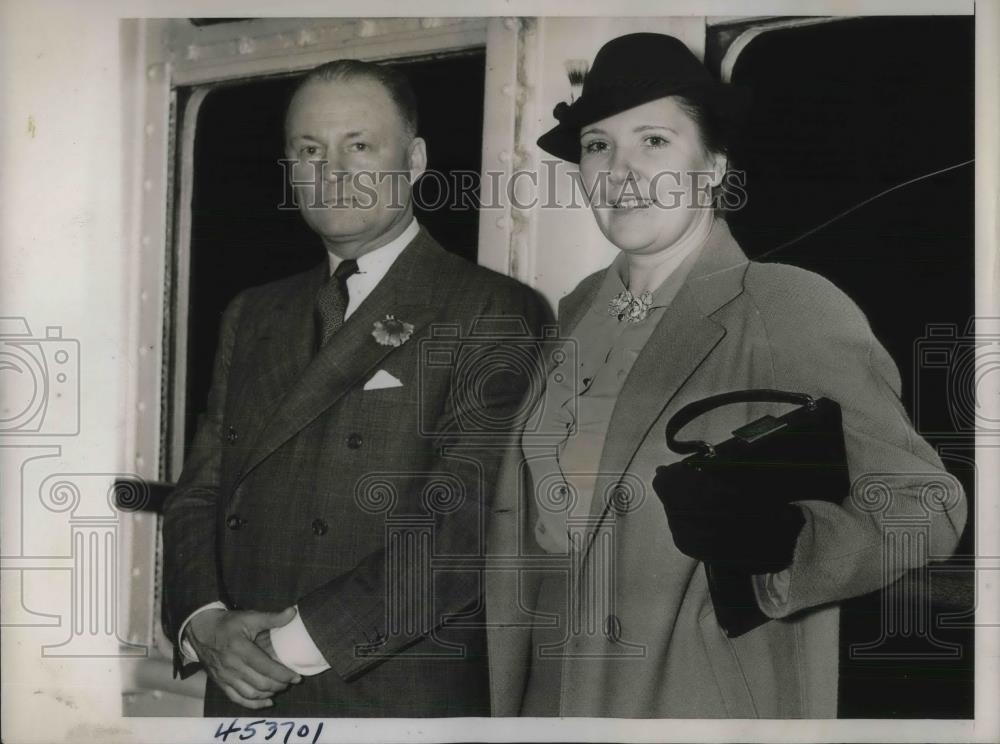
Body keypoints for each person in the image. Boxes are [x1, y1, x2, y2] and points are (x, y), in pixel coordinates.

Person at [485, 33, 967, 718]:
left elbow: (927, 507)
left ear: (711, 165)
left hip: (688, 695)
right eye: (598, 145)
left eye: (653, 141)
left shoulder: (783, 302)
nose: (620, 170)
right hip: (545, 685)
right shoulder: (579, 308)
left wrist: (786, 548)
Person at [162, 59, 549, 717]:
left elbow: (461, 532)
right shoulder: (255, 313)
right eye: (309, 150)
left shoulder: (491, 310)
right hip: (241, 694)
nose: (332, 172)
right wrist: (205, 622)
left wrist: (284, 645)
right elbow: (200, 490)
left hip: (387, 696)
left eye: (359, 146)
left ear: (416, 158)